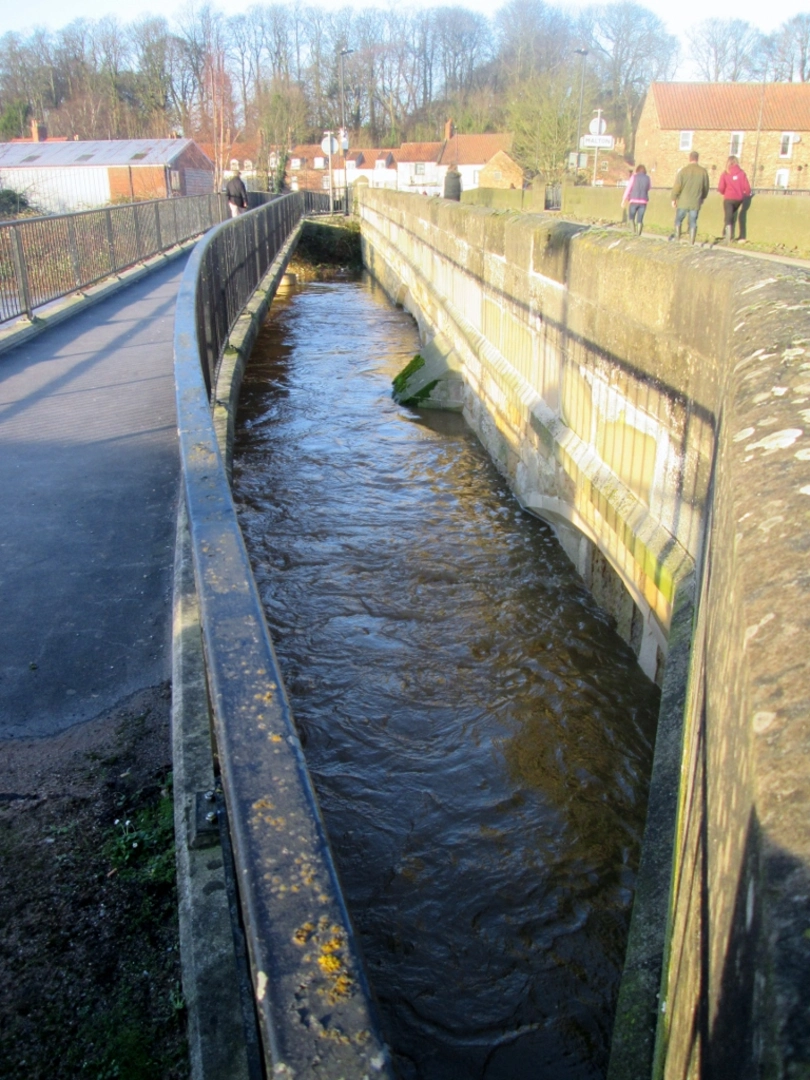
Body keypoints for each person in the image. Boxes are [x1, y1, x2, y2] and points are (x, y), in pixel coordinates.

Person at [669, 151, 710, 244]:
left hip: (683, 202)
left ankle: (677, 239)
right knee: (693, 222)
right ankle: (691, 242)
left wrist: (673, 198)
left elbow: (677, 186)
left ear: (689, 158)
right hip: (695, 202)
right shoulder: (703, 172)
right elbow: (706, 187)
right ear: (697, 158)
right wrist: (703, 197)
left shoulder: (683, 171)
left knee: (678, 220)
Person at [718, 156, 752, 243]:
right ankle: (732, 235)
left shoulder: (725, 173)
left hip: (728, 198)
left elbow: (721, 188)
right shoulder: (742, 173)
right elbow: (747, 188)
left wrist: (724, 192)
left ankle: (727, 236)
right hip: (738, 199)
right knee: (732, 215)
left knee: (728, 217)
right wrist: (747, 194)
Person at [622, 164, 651, 236]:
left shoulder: (633, 177)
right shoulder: (648, 178)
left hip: (633, 200)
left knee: (631, 217)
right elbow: (649, 187)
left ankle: (633, 232)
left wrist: (624, 199)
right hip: (643, 201)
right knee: (640, 219)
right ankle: (638, 234)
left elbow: (628, 188)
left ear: (637, 170)